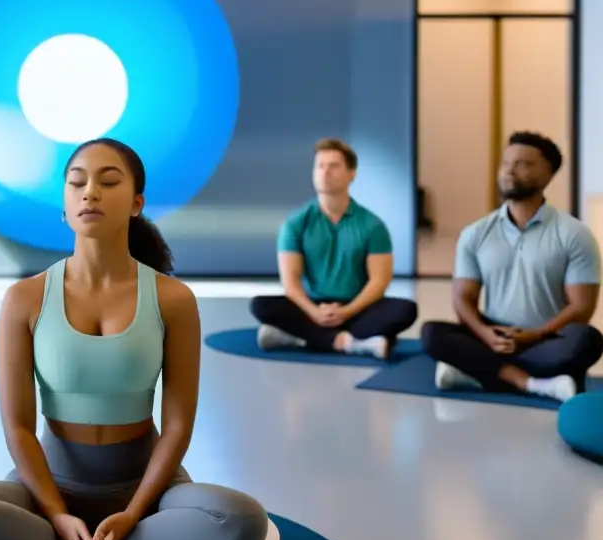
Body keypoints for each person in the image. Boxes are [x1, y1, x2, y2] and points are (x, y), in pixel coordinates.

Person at [0, 138, 269, 540]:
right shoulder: (25, 299)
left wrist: (134, 513)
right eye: (77, 182)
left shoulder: (173, 299)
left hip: (147, 488)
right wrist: (59, 515)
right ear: (65, 206)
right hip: (50, 486)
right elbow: (18, 427)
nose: (90, 192)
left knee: (242, 521)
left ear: (137, 203)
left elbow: (177, 425)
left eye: (109, 181)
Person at [421, 131, 603, 403]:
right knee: (431, 333)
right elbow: (463, 299)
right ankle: (530, 382)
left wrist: (536, 335)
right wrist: (484, 333)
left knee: (586, 340)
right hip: (492, 336)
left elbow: (581, 307)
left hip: (545, 337)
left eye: (524, 164)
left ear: (549, 175)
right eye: (506, 163)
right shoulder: (475, 233)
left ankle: (476, 373)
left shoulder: (574, 234)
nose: (509, 171)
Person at [250, 138, 418, 359]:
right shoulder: (295, 223)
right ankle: (350, 343)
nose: (325, 172)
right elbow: (290, 283)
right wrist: (314, 312)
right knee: (261, 305)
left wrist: (346, 312)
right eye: (320, 166)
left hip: (357, 308)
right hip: (310, 307)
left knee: (405, 310)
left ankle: (299, 338)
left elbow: (380, 281)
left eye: (334, 166)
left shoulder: (372, 225)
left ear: (352, 173)